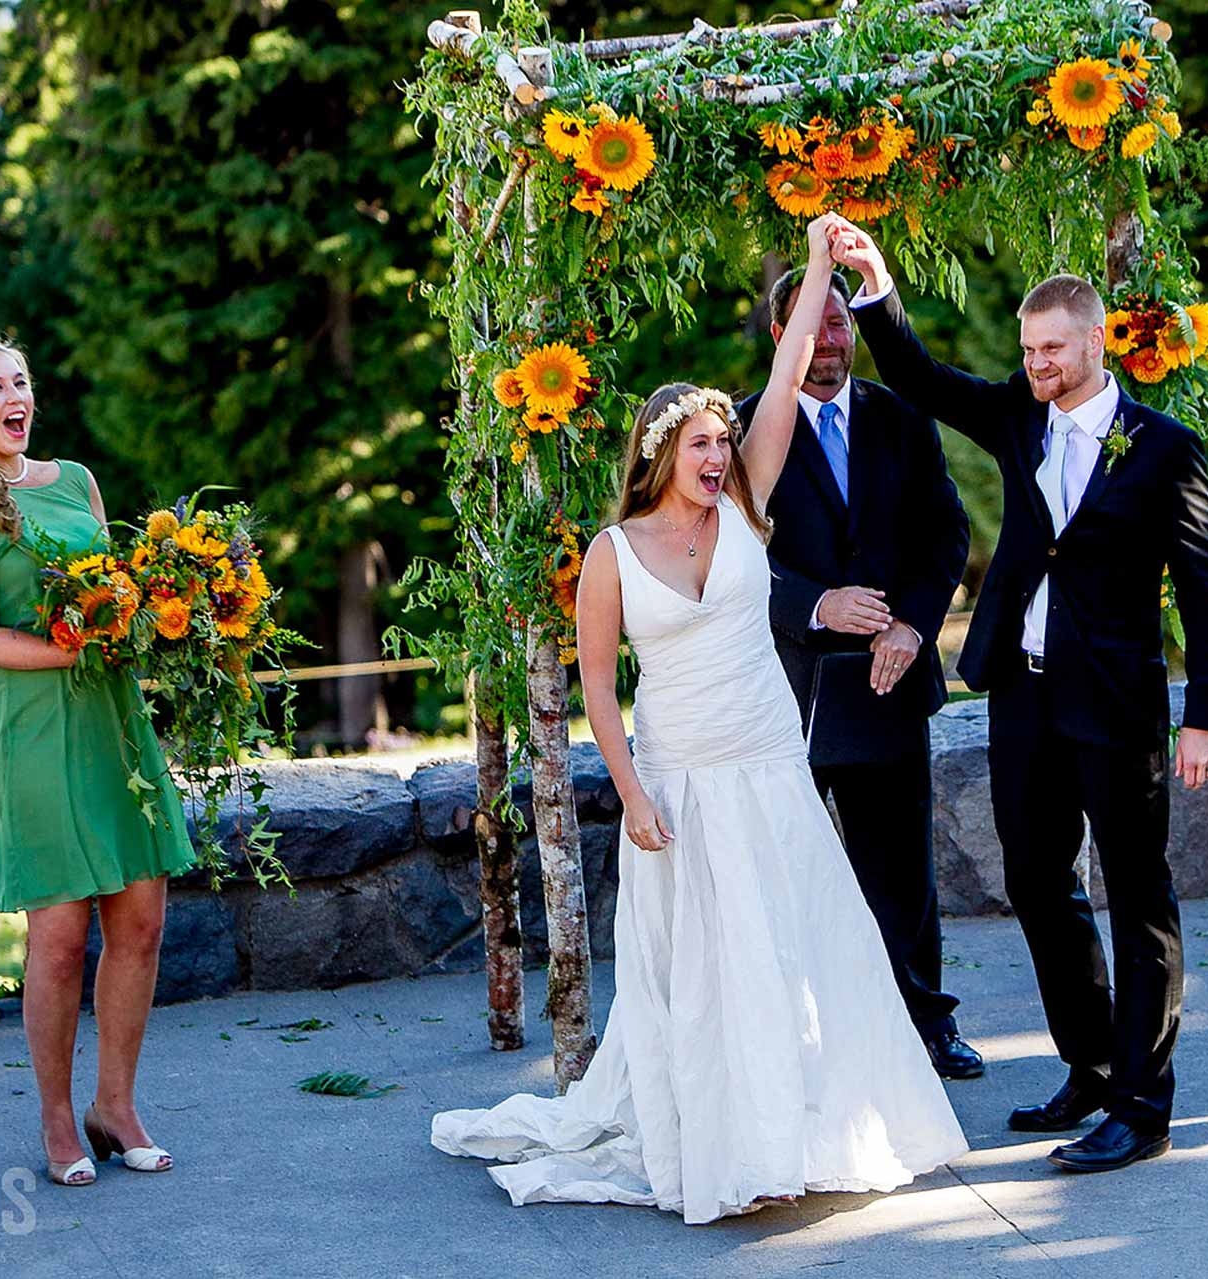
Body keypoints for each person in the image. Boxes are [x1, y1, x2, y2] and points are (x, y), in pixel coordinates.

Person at [431, 217, 967, 1225]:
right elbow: (597, 686)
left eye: (728, 441)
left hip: (769, 762)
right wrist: (631, 792)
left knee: (799, 953)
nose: (722, 457)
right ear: (663, 452)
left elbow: (793, 357)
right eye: (704, 445)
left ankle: (807, 1133)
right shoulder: (613, 551)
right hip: (677, 781)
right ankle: (726, 1143)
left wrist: (818, 271)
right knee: (709, 976)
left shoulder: (749, 507)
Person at [826, 217, 1208, 1174]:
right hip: (1021, 691)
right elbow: (926, 383)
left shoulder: (1163, 449)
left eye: (1052, 348)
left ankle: (1143, 1104)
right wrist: (879, 288)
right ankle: (1091, 1067)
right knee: (1036, 885)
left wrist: (1206, 712)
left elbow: (1206, 587)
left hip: (1117, 700)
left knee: (1137, 894)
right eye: (1026, 348)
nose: (1036, 363)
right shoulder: (1017, 414)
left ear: (1094, 344)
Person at [0, 338, 194, 1186]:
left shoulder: (75, 480)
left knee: (141, 916)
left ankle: (115, 1105)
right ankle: (54, 1121)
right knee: (61, 932)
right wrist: (84, 648)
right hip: (35, 726)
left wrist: (164, 613)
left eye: (22, 383)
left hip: (111, 716)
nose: (15, 396)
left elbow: (113, 586)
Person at [734, 266, 981, 1080]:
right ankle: (799, 1040)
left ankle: (925, 1026)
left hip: (887, 680)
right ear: (784, 338)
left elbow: (947, 532)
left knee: (902, 871)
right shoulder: (740, 431)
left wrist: (911, 622)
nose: (834, 339)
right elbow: (725, 563)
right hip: (788, 689)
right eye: (818, 326)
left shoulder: (902, 419)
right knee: (788, 870)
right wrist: (816, 604)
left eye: (842, 323)